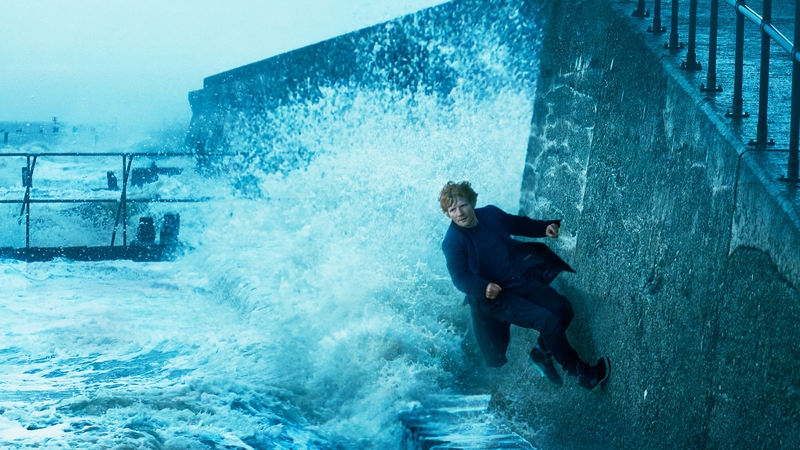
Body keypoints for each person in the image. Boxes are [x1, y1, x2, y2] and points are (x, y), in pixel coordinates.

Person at [439, 181, 610, 392]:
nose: (459, 213)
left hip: (518, 280)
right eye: (452, 210)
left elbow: (516, 223)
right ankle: (582, 374)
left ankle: (541, 352)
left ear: (472, 202)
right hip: (497, 299)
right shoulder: (452, 242)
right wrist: (483, 287)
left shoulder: (489, 214)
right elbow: (460, 277)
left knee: (562, 309)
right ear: (448, 214)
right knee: (547, 321)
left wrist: (543, 228)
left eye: (462, 205)